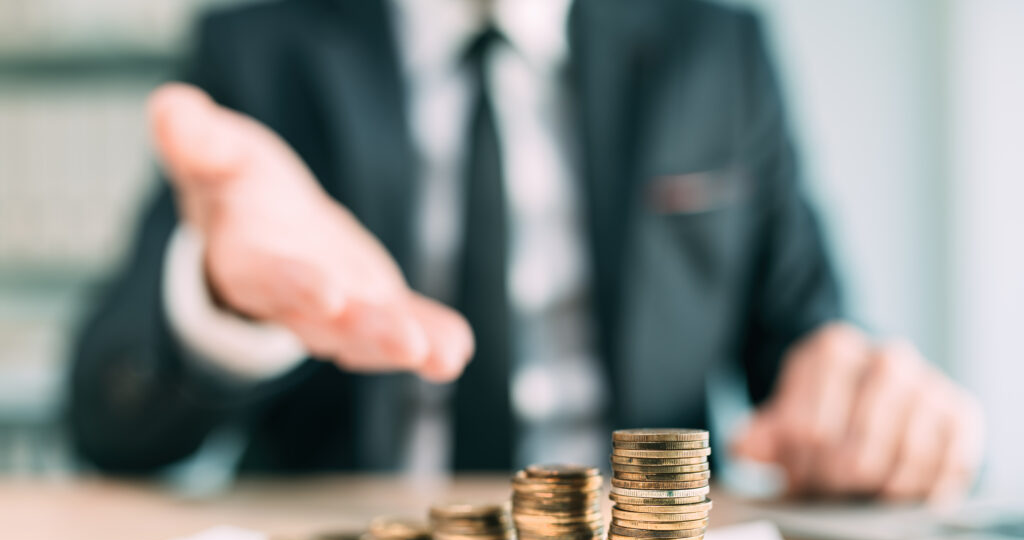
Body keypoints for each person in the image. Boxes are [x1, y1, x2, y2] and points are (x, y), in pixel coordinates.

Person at [69, 0, 983, 501]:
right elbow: (106, 417)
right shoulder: (259, 49)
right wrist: (225, 301)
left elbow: (807, 342)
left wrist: (866, 407)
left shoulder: (718, 50)